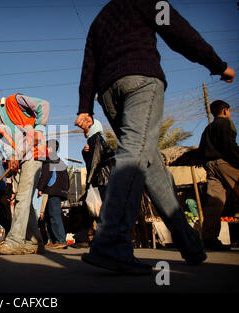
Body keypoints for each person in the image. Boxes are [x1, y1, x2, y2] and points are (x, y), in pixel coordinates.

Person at [75, 0, 235, 274]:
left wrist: (84, 108)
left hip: (109, 93)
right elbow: (178, 30)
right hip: (141, 82)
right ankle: (111, 242)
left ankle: (190, 245)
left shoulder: (100, 19)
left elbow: (89, 65)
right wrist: (217, 65)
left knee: (152, 167)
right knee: (135, 155)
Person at [0, 88, 49, 254]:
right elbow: (7, 143)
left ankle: (15, 241)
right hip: (20, 158)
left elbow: (44, 105)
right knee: (24, 200)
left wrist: (39, 129)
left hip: (34, 152)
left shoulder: (15, 100)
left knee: (22, 198)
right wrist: (12, 157)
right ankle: (35, 242)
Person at [198, 100, 239, 251]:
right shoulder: (225, 124)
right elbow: (229, 146)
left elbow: (201, 150)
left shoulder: (207, 128)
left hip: (210, 167)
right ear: (225, 111)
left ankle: (209, 238)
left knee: (215, 202)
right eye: (229, 111)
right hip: (224, 163)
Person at [36, 139, 69, 249]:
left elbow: (45, 175)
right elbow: (66, 179)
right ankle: (53, 240)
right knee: (49, 216)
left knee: (54, 216)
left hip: (53, 191)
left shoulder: (49, 160)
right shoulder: (60, 161)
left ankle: (60, 240)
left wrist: (40, 188)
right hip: (59, 191)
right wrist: (64, 191)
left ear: (49, 148)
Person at [81, 119, 115, 203]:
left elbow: (95, 161)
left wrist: (88, 182)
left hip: (102, 180)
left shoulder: (95, 139)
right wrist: (85, 153)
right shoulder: (97, 139)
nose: (83, 130)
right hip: (104, 180)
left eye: (85, 127)